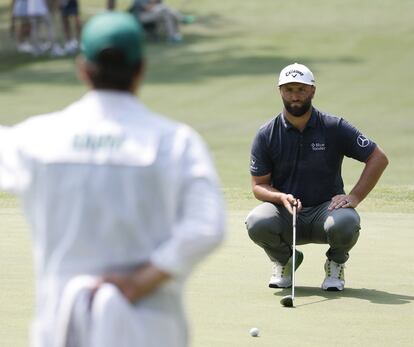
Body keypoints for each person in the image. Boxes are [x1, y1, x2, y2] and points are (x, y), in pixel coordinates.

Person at [0, 11, 225, 346]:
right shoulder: (175, 142)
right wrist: (142, 280)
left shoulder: (36, 138)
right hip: (151, 331)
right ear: (141, 70)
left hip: (59, 329)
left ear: (82, 69)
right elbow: (207, 227)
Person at [245, 63, 388, 291]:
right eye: (289, 89)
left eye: (301, 89)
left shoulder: (334, 127)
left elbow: (378, 158)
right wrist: (281, 197)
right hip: (287, 215)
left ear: (312, 91)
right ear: (280, 91)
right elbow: (259, 186)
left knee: (347, 221)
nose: (295, 95)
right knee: (257, 221)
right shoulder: (266, 134)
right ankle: (286, 260)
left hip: (326, 212)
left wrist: (355, 196)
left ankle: (335, 263)